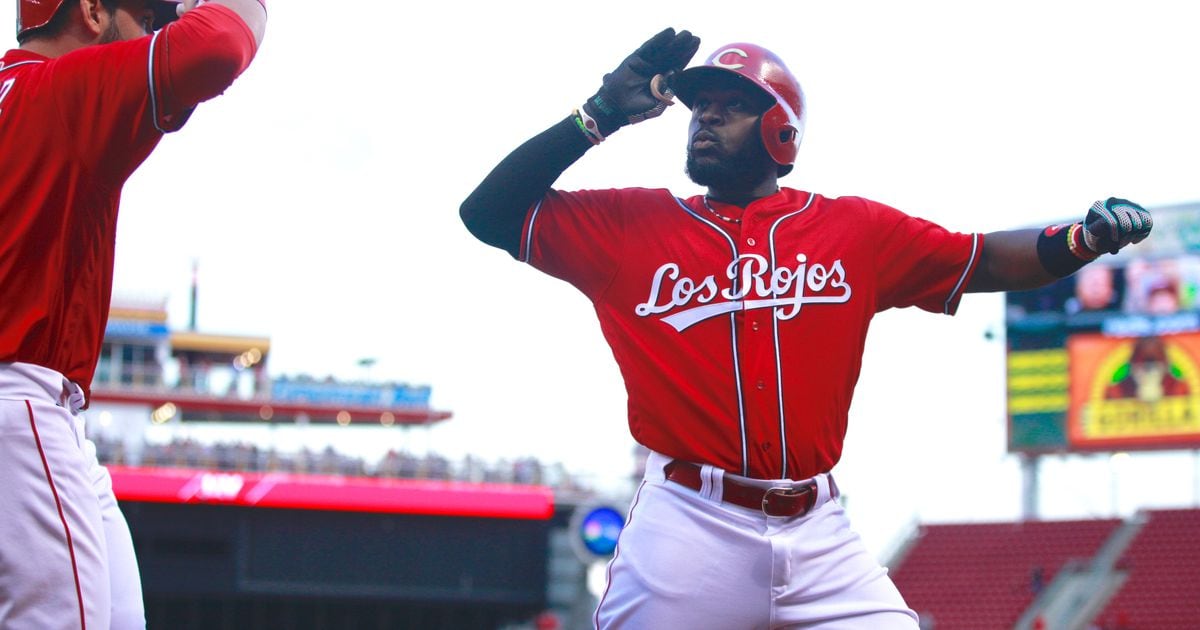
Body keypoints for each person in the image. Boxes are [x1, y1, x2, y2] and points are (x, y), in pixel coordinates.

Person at [460, 29, 1153, 628]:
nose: (705, 119)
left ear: (780, 132)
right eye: (699, 106)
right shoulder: (627, 228)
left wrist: (1082, 238)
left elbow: (982, 259)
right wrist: (600, 114)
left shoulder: (852, 230)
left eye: (731, 108)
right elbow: (486, 214)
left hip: (819, 525)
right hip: (687, 525)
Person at [0, 1, 266, 628]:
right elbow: (220, 44)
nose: (153, 32)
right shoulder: (60, 88)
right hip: (20, 397)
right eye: (146, 16)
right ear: (92, 10)